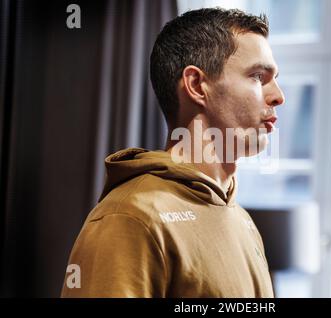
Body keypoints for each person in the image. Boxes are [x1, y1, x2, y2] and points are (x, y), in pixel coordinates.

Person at [61, 7, 285, 298]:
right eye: (258, 76)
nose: (278, 96)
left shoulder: (242, 220)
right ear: (196, 85)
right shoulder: (131, 218)